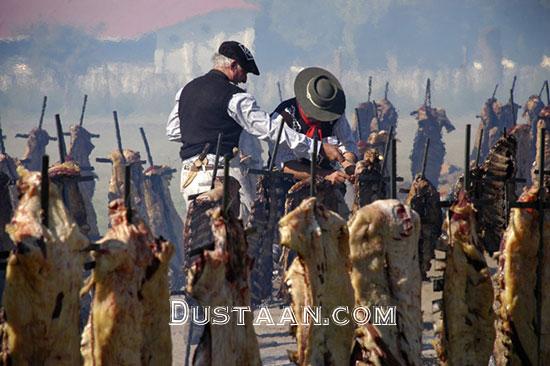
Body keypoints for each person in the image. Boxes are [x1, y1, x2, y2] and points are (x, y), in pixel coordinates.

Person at [166, 41, 344, 218]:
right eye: (244, 72)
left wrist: (204, 130)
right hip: (218, 176)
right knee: (240, 233)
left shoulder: (185, 90)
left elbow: (173, 130)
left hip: (190, 177)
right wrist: (318, 148)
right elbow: (271, 129)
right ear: (233, 65)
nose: (244, 79)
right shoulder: (236, 98)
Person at [270, 67, 358, 184]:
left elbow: (348, 145)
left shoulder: (335, 114)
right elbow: (284, 164)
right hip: (287, 183)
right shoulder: (283, 116)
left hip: (327, 182)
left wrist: (348, 164)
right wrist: (326, 175)